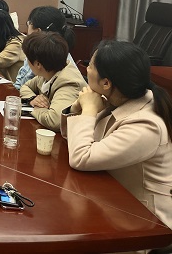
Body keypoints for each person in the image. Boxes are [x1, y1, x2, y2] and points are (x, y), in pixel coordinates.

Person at [61, 40, 172, 229]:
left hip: (146, 221)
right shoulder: (118, 98)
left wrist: (88, 110)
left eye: (90, 65)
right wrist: (76, 108)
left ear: (106, 83)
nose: (87, 69)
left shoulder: (147, 125)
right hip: (112, 198)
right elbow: (71, 140)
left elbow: (81, 157)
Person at [19, 32, 86, 132]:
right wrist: (33, 98)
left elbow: (54, 121)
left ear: (38, 64)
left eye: (27, 58)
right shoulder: (47, 71)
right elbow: (25, 87)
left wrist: (36, 107)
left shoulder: (69, 83)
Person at [14, 6, 77, 90]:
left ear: (38, 32)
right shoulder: (35, 50)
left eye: (28, 24)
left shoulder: (55, 60)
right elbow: (21, 85)